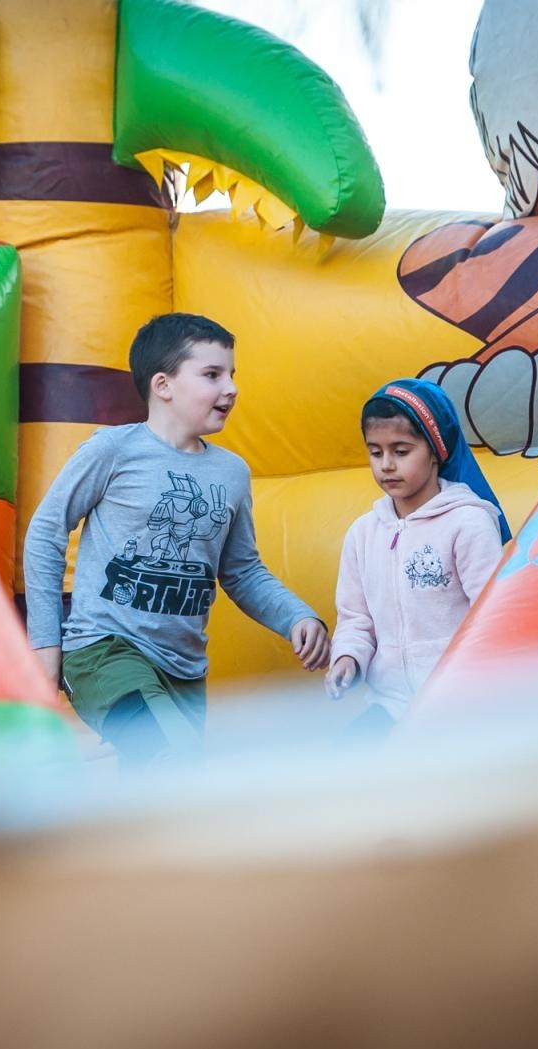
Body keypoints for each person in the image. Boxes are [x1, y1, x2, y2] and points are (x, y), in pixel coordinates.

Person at [23, 313, 329, 767]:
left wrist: (295, 617)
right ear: (163, 385)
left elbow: (242, 571)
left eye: (232, 374)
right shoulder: (113, 451)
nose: (231, 388)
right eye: (212, 375)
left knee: (161, 796)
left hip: (184, 670)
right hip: (106, 651)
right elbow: (46, 533)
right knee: (172, 761)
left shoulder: (231, 473)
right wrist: (46, 646)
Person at [325, 379, 510, 735]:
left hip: (458, 710)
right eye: (375, 452)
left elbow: (492, 618)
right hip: (389, 706)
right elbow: (356, 619)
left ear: (435, 451)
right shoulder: (363, 534)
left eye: (401, 450)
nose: (387, 465)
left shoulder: (469, 522)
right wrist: (347, 658)